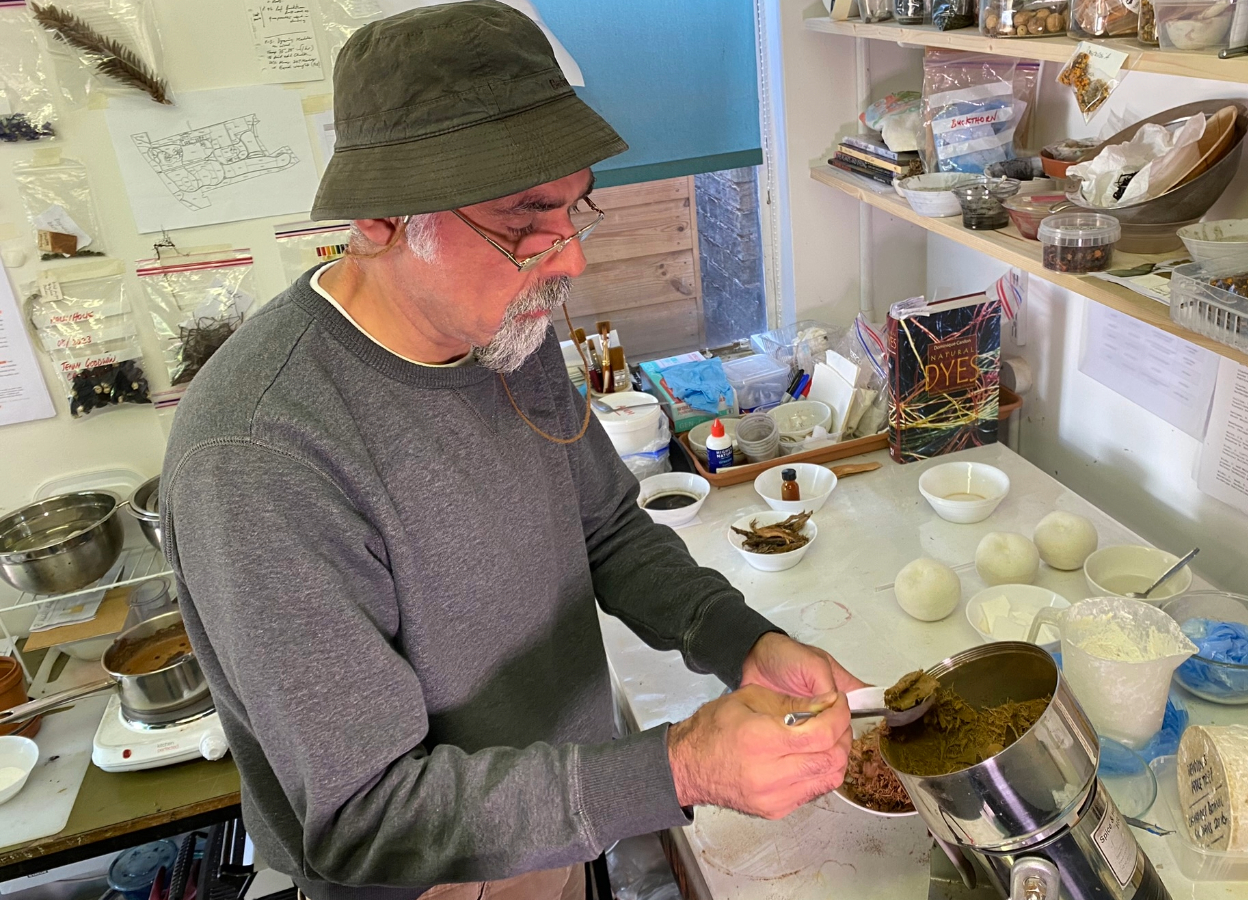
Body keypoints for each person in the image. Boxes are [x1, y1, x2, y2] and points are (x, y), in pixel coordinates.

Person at [159, 4, 861, 900]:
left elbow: (605, 526)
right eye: (523, 221)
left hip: (561, 818)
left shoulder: (504, 333)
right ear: (380, 218)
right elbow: (365, 817)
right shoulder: (260, 456)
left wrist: (738, 639)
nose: (564, 260)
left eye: (575, 209)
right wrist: (680, 768)